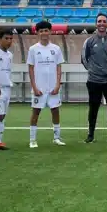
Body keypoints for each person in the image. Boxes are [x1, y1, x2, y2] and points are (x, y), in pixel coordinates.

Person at [81, 13, 107, 143]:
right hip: (94, 80)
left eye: (104, 21)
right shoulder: (89, 41)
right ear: (96, 23)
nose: (101, 23)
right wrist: (93, 70)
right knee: (93, 108)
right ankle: (91, 135)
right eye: (99, 21)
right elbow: (84, 59)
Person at [27, 20, 66, 148]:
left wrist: (57, 85)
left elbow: (59, 68)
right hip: (39, 88)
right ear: (37, 32)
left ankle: (56, 137)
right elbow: (31, 69)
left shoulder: (56, 49)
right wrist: (34, 87)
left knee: (55, 111)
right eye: (41, 30)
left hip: (53, 87)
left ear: (50, 31)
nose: (44, 33)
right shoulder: (33, 49)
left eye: (46, 30)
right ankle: (32, 140)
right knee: (36, 112)